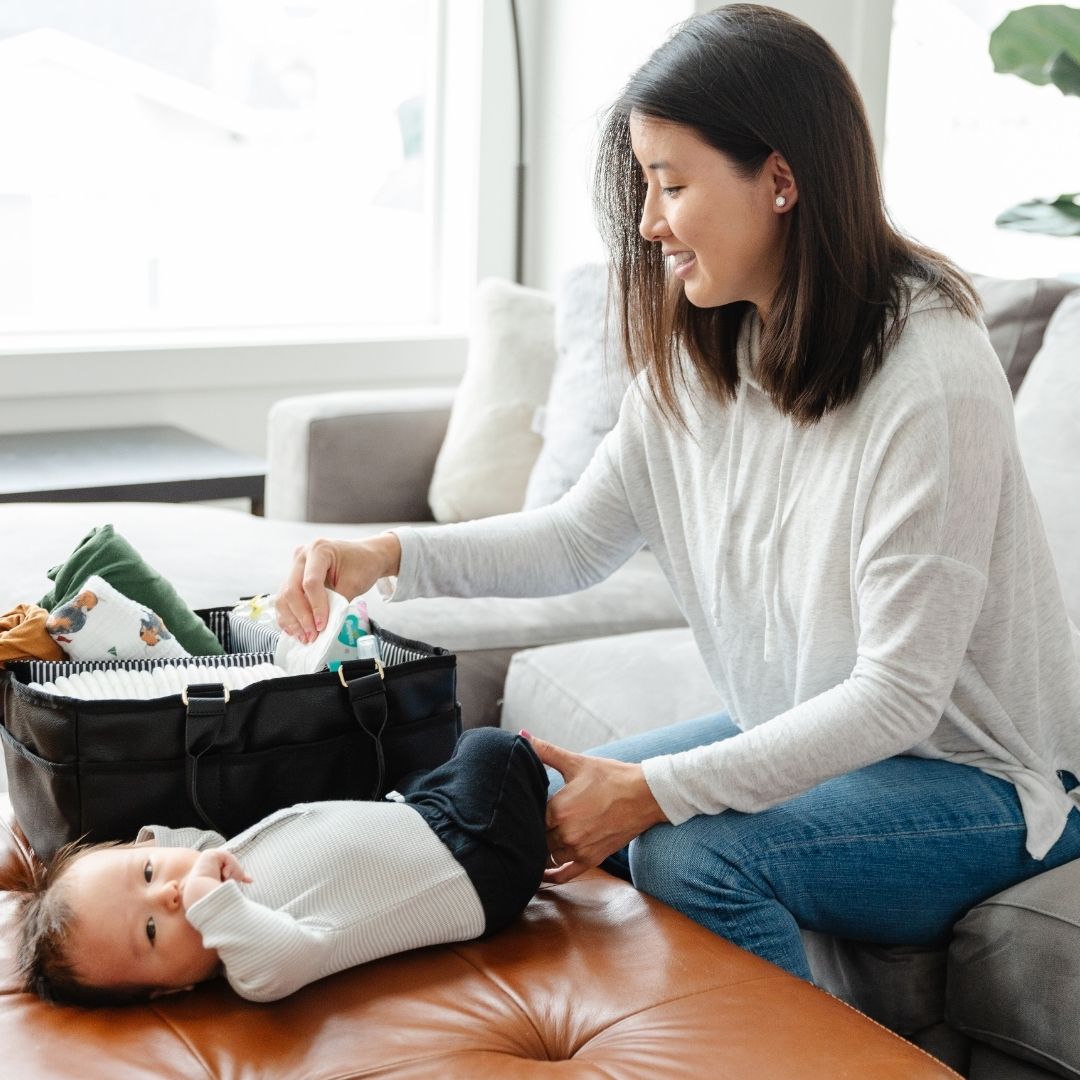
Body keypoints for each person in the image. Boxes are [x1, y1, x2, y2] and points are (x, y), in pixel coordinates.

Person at [274, 4, 1080, 982]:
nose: (651, 222)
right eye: (646, 186)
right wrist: (388, 554)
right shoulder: (711, 345)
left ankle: (813, 1053)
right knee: (535, 803)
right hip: (814, 729)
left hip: (988, 784)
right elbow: (578, 539)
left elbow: (900, 697)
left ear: (780, 179)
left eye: (673, 184)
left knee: (689, 852)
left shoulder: (931, 373)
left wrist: (656, 790)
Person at [16, 728, 548, 1004]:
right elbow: (283, 961)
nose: (169, 894)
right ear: (171, 989)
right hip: (475, 859)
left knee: (433, 769)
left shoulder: (217, 865)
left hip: (419, 815)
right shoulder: (252, 961)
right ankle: (551, 809)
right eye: (151, 929)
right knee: (492, 748)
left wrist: (159, 846)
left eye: (148, 873)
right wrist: (210, 899)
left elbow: (202, 846)